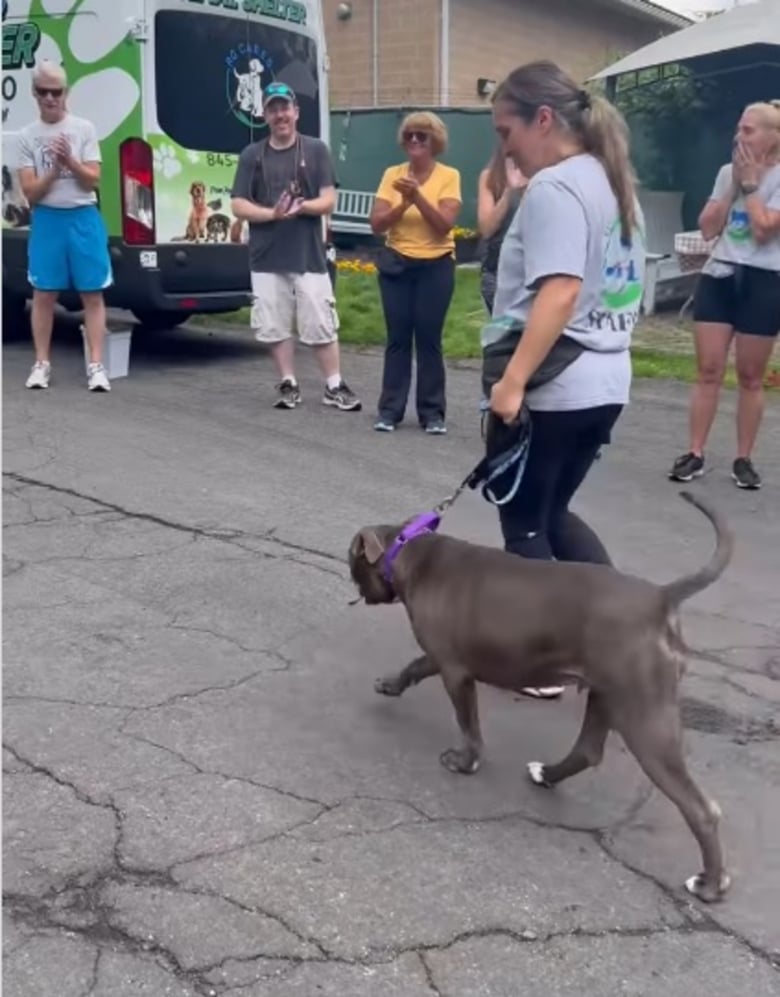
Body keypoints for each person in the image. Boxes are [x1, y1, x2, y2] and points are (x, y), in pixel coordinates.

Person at [483, 61, 645, 693]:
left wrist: (512, 382)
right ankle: (623, 633)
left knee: (524, 520)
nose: (506, 146)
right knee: (554, 514)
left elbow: (559, 293)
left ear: (542, 119)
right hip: (608, 380)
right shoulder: (614, 182)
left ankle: (545, 665)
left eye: (506, 130)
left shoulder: (556, 188)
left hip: (556, 383)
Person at [668, 100, 780, 491]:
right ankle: (695, 452)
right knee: (708, 369)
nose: (739, 136)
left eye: (748, 130)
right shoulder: (725, 173)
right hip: (719, 274)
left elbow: (765, 229)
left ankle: (743, 458)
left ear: (772, 137)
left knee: (751, 376)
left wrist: (751, 185)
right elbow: (708, 228)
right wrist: (733, 181)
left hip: (764, 279)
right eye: (739, 128)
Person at [230, 81, 360, 412]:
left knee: (320, 321)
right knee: (273, 324)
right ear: (264, 115)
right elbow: (239, 205)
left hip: (308, 256)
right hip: (266, 257)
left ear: (296, 112)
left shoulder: (315, 150)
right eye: (273, 109)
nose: (280, 115)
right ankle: (288, 383)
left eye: (284, 108)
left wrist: (302, 207)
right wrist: (271, 214)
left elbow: (329, 199)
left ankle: (333, 385)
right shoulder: (252, 155)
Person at [18, 61, 112, 391]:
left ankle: (97, 365)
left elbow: (92, 181)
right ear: (34, 93)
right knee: (43, 293)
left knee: (92, 293)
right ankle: (42, 364)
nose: (49, 98)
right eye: (42, 92)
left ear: (65, 93)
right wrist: (55, 170)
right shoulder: (27, 136)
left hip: (83, 218)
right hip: (47, 220)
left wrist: (70, 161)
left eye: (55, 92)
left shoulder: (83, 129)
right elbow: (30, 193)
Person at [370, 111, 462, 434]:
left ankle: (432, 414)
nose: (413, 141)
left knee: (428, 338)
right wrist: (403, 204)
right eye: (409, 135)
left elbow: (443, 226)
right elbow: (378, 223)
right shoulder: (391, 174)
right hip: (397, 264)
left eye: (421, 136)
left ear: (434, 141)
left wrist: (418, 196)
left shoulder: (449, 176)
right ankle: (389, 411)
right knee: (397, 338)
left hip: (436, 265)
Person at [477, 147, 528, 314]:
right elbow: (486, 228)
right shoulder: (490, 177)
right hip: (497, 272)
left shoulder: (546, 174)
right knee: (502, 336)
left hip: (532, 271)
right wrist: (509, 191)